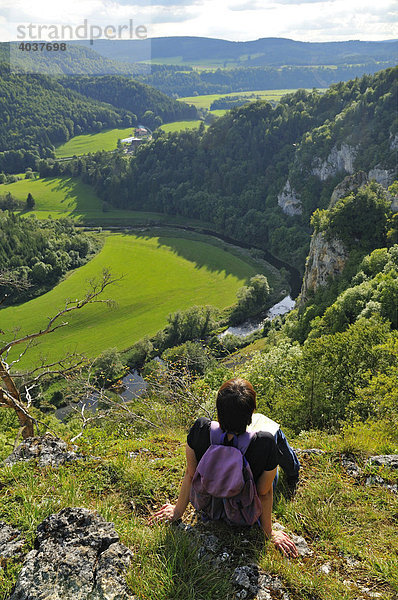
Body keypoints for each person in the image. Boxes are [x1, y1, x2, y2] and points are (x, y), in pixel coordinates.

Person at [151, 378, 298, 558]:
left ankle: (293, 472)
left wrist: (177, 511)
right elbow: (263, 493)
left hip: (208, 508)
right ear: (251, 413)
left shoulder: (200, 428)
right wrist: (269, 533)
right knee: (275, 433)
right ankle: (293, 473)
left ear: (218, 410)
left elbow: (190, 474)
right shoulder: (263, 442)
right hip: (243, 513)